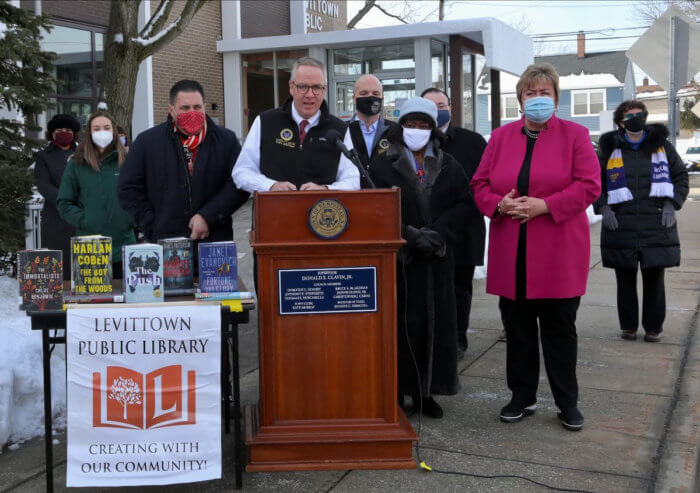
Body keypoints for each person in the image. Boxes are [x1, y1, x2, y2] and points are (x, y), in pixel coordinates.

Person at [471, 63, 601, 431]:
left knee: (560, 330)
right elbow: (479, 185)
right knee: (519, 330)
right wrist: (499, 204)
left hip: (558, 252)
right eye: (532, 93)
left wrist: (546, 205)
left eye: (545, 93)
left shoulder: (575, 135)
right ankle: (522, 396)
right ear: (521, 100)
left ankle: (566, 403)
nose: (538, 99)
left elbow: (590, 185)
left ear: (556, 99)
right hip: (512, 251)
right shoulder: (500, 138)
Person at [369, 97, 471, 419]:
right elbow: (373, 208)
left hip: (437, 260)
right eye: (411, 124)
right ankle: (398, 392)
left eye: (423, 125)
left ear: (433, 129)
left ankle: (427, 393)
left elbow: (465, 205)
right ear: (402, 127)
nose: (417, 130)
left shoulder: (449, 164)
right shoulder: (384, 163)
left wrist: (438, 234)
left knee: (435, 327)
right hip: (401, 260)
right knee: (400, 327)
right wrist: (409, 235)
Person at [594, 100, 688, 343]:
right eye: (629, 115)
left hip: (656, 223)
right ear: (620, 121)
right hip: (621, 223)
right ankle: (628, 326)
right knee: (624, 279)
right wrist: (604, 207)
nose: (635, 118)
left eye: (639, 114)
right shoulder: (608, 149)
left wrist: (672, 203)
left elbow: (680, 176)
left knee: (654, 280)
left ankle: (653, 328)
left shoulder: (662, 147)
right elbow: (595, 182)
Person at [118, 80, 248, 242]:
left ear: (204, 106)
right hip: (166, 242)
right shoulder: (148, 142)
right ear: (172, 110)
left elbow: (239, 183)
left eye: (197, 107)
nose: (192, 113)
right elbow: (128, 187)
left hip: (214, 240)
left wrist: (209, 216)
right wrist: (151, 223)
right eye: (185, 108)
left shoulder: (226, 140)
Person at [422, 87, 488, 355]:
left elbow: (483, 183)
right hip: (426, 230)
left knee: (460, 289)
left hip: (463, 229)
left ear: (451, 108)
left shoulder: (473, 142)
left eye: (442, 105)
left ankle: (458, 340)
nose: (438, 111)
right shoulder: (413, 140)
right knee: (429, 289)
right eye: (431, 106)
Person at [232, 57, 359, 192]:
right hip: (273, 210)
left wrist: (325, 189)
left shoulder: (340, 129)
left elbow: (353, 180)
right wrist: (269, 186)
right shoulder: (265, 122)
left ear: (324, 90)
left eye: (316, 87)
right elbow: (242, 171)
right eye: (303, 86)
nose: (310, 94)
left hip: (321, 210)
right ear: (291, 87)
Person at [57, 110, 134, 276]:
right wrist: (85, 220)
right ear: (89, 133)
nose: (102, 132)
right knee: (93, 300)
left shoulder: (128, 161)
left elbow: (141, 196)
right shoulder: (76, 164)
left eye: (106, 127)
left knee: (126, 300)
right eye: (97, 128)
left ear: (113, 130)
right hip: (90, 249)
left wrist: (131, 219)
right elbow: (64, 203)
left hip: (125, 247)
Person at [34, 114, 80, 280]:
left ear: (74, 133)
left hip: (81, 216)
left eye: (67, 130)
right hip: (55, 218)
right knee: (56, 266)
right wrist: (66, 202)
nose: (63, 133)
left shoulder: (83, 154)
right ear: (52, 133)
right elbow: (43, 185)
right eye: (59, 130)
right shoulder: (43, 156)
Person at [339, 74, 395, 188]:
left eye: (375, 94)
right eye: (364, 94)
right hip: (350, 201)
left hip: (386, 201)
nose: (370, 97)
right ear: (354, 99)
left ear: (382, 99)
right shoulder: (341, 131)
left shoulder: (396, 131)